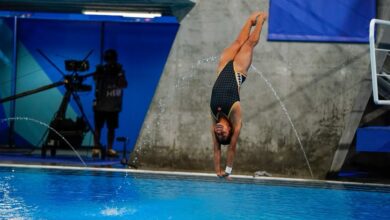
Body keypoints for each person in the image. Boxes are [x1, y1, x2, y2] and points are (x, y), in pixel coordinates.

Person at [210, 12, 267, 178]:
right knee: (248, 44)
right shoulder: (235, 118)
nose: (219, 132)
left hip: (223, 67)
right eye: (224, 134)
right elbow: (232, 147)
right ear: (230, 129)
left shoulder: (214, 117)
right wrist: (227, 172)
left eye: (218, 135)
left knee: (238, 41)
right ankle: (262, 20)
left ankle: (251, 21)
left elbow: (216, 148)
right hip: (237, 71)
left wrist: (217, 171)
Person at [92, 49, 128, 157]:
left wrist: (120, 73)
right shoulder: (101, 70)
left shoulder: (120, 71)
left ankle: (110, 148)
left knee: (111, 128)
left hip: (114, 106)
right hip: (101, 105)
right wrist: (99, 71)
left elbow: (124, 85)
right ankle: (96, 148)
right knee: (98, 127)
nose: (110, 62)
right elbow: (95, 79)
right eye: (109, 60)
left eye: (112, 59)